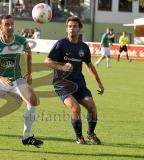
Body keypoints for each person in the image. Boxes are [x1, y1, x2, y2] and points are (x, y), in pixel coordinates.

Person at [0, 15, 43, 149]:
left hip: (16, 78)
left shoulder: (21, 40)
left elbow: (28, 53)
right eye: (7, 24)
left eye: (12, 24)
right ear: (0, 27)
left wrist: (29, 73)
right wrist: (0, 78)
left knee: (33, 100)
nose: (11, 27)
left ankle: (27, 137)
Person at [44, 16, 104, 145]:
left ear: (80, 29)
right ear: (66, 29)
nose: (72, 29)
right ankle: (79, 137)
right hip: (62, 84)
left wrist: (99, 83)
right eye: (69, 26)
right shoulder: (61, 44)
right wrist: (62, 67)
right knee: (75, 108)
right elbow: (47, 61)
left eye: (75, 26)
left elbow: (89, 65)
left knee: (92, 107)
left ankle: (91, 134)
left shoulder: (83, 47)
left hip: (79, 84)